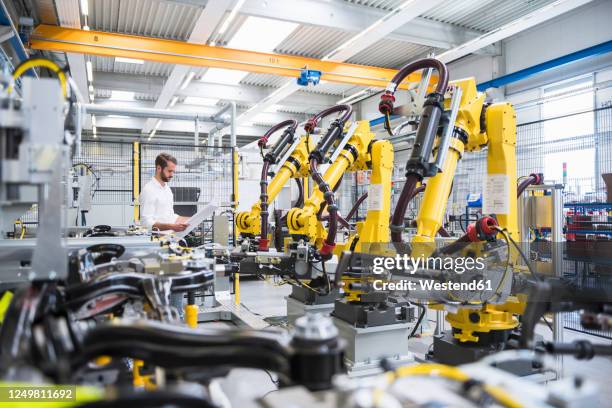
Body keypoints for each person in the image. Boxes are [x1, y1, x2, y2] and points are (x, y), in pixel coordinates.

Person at [139, 153, 189, 232]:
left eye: (173, 171)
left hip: (169, 237)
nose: (172, 174)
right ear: (159, 168)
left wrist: (191, 220)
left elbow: (170, 216)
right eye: (169, 171)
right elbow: (145, 223)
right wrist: (170, 226)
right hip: (156, 240)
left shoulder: (167, 189)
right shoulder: (149, 190)